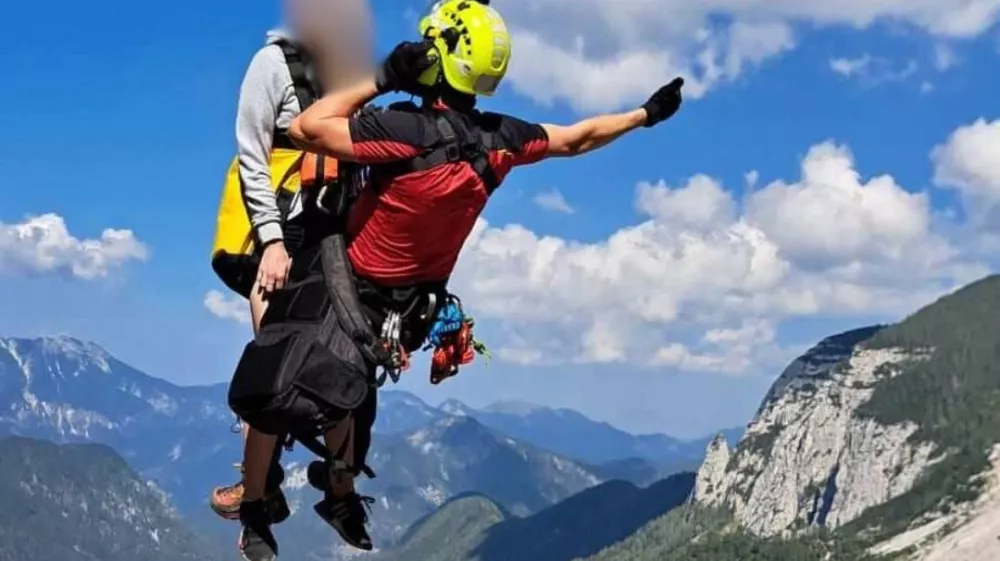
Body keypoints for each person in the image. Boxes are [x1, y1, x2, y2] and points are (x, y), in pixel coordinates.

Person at [235, 0, 684, 558]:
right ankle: (341, 494)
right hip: (406, 308)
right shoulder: (502, 139)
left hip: (346, 280)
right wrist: (645, 114)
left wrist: (383, 76)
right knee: (351, 390)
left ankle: (255, 505)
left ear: (435, 59)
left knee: (276, 367)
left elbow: (306, 129)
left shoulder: (403, 129)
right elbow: (578, 138)